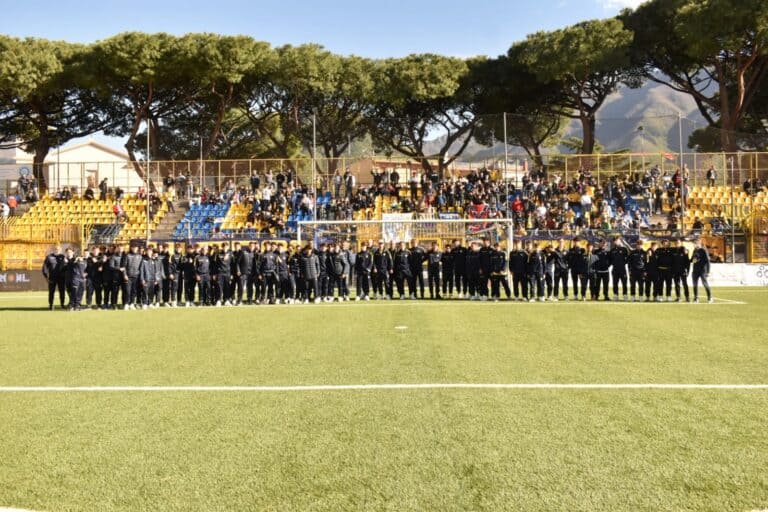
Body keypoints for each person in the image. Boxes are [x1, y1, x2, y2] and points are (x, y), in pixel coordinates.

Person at [42, 246, 66, 310]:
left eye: (58, 249)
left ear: (61, 250)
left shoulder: (63, 257)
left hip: (61, 278)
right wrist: (46, 277)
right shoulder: (49, 257)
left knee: (62, 292)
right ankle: (51, 305)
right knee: (51, 292)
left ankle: (62, 305)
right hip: (52, 278)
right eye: (56, 249)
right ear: (53, 249)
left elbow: (66, 267)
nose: (57, 250)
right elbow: (44, 268)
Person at [691, 239, 713, 303]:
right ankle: (696, 298)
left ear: (699, 243)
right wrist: (692, 259)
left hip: (702, 270)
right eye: (694, 243)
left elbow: (708, 261)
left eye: (696, 243)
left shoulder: (703, 250)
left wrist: (708, 271)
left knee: (704, 283)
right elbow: (692, 259)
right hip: (695, 270)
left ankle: (710, 297)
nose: (695, 244)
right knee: (695, 284)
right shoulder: (695, 250)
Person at [609, 235, 629, 301]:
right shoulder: (612, 250)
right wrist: (613, 264)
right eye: (615, 241)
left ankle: (625, 295)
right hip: (615, 269)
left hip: (622, 269)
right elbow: (610, 260)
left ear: (620, 241)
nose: (616, 242)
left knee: (624, 283)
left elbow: (627, 259)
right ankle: (615, 295)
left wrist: (623, 263)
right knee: (615, 283)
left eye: (617, 240)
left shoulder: (624, 249)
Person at [123, 245, 143, 310]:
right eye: (133, 247)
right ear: (131, 248)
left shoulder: (140, 256)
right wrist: (124, 275)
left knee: (134, 291)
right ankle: (126, 304)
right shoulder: (127, 255)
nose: (134, 248)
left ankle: (132, 303)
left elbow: (141, 268)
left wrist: (140, 277)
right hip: (128, 276)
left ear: (137, 248)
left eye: (136, 247)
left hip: (136, 276)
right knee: (127, 291)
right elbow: (124, 266)